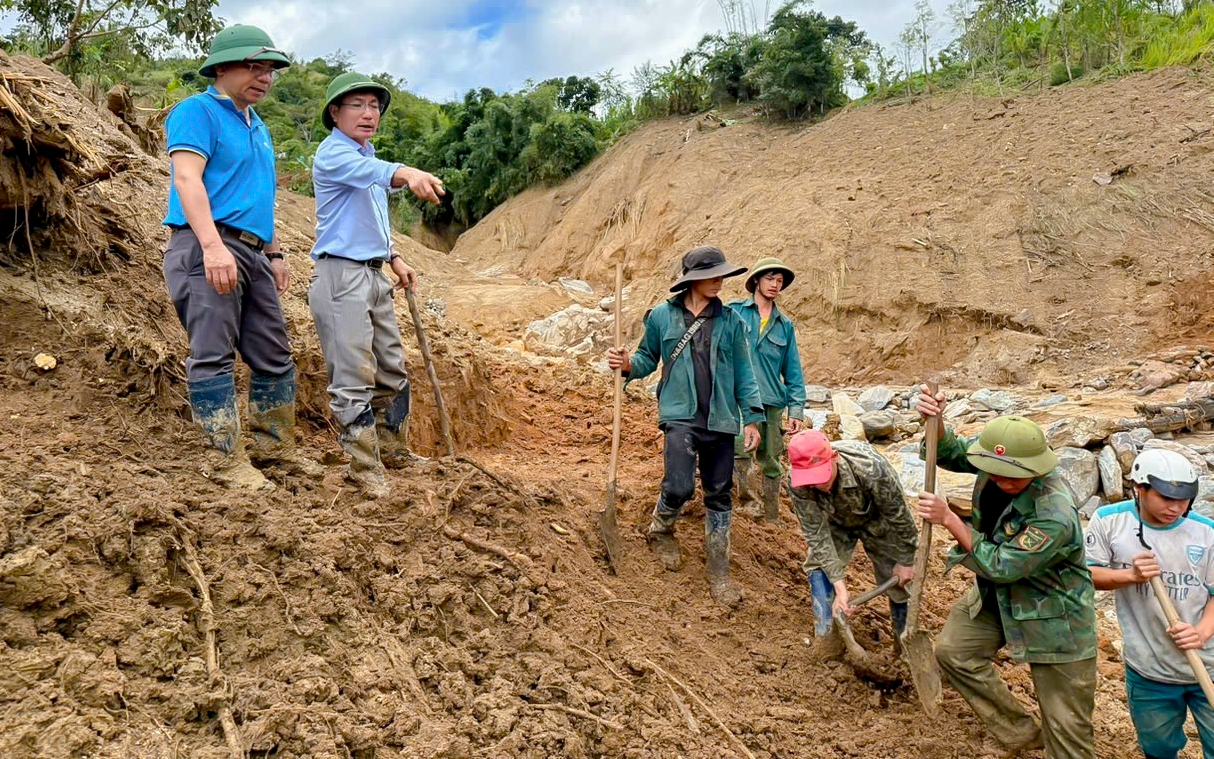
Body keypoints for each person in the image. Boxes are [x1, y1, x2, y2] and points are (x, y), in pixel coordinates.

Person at [162, 24, 318, 490]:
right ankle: (224, 460)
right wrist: (211, 246)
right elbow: (187, 181)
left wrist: (275, 253)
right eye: (254, 66)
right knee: (212, 355)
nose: (265, 76)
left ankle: (274, 448)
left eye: (269, 69)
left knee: (274, 353)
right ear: (222, 67)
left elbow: (260, 196)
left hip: (252, 252)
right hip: (206, 244)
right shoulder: (197, 112)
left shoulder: (260, 128)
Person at [915, 386, 1096, 758]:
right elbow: (949, 451)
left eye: (1010, 476)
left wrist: (949, 518)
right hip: (997, 598)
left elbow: (1001, 565)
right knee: (954, 652)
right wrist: (936, 421)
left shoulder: (1054, 514)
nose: (1000, 480)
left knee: (1067, 730)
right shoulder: (999, 466)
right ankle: (1019, 733)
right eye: (992, 473)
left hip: (1053, 615)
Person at [309, 72, 445, 498]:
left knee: (390, 365)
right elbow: (381, 174)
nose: (369, 114)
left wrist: (394, 257)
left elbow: (372, 218)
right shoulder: (334, 154)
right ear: (335, 113)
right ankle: (363, 468)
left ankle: (392, 446)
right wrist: (409, 173)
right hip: (340, 276)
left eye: (374, 106)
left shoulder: (366, 155)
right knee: (351, 373)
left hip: (372, 272)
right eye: (358, 105)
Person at [606, 246, 763, 606]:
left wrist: (752, 418)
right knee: (678, 486)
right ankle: (661, 530)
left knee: (720, 494)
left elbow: (745, 373)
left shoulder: (732, 322)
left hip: (721, 420)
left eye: (722, 275)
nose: (720, 281)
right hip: (680, 415)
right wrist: (627, 363)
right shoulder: (662, 316)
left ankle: (719, 572)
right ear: (692, 279)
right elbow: (647, 357)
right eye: (713, 275)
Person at [1085, 448, 1214, 759]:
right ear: (1139, 488)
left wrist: (1201, 632)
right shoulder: (1108, 521)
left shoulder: (1206, 533)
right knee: (1158, 748)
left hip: (1209, 665)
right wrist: (1130, 575)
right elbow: (1085, 574)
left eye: (1182, 500)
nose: (1175, 508)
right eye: (1165, 498)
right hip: (1149, 669)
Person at [786, 430, 917, 641]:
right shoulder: (797, 481)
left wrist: (906, 560)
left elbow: (899, 517)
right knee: (820, 567)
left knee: (897, 578)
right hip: (835, 520)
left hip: (877, 518)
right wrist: (840, 587)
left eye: (822, 476)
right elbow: (816, 534)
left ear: (835, 457)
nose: (818, 485)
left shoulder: (871, 469)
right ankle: (826, 638)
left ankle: (903, 640)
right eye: (811, 480)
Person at [729, 258, 806, 522]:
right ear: (756, 281)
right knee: (741, 447)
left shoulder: (784, 325)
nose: (775, 285)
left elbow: (794, 372)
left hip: (772, 402)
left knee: (771, 458)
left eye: (779, 281)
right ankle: (747, 504)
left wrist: (796, 410)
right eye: (770, 278)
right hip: (738, 399)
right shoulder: (734, 312)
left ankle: (771, 514)